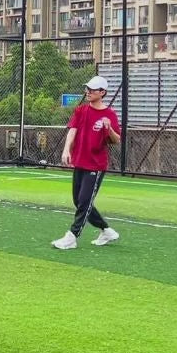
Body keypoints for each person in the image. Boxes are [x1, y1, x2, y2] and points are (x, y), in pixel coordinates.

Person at [52, 75, 122, 250]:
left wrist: (109, 128)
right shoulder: (81, 111)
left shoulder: (109, 114)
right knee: (79, 201)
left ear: (102, 92)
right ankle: (106, 230)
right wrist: (66, 149)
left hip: (95, 165)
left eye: (92, 89)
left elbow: (116, 140)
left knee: (84, 202)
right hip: (80, 162)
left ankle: (72, 236)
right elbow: (72, 131)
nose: (88, 92)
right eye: (87, 89)